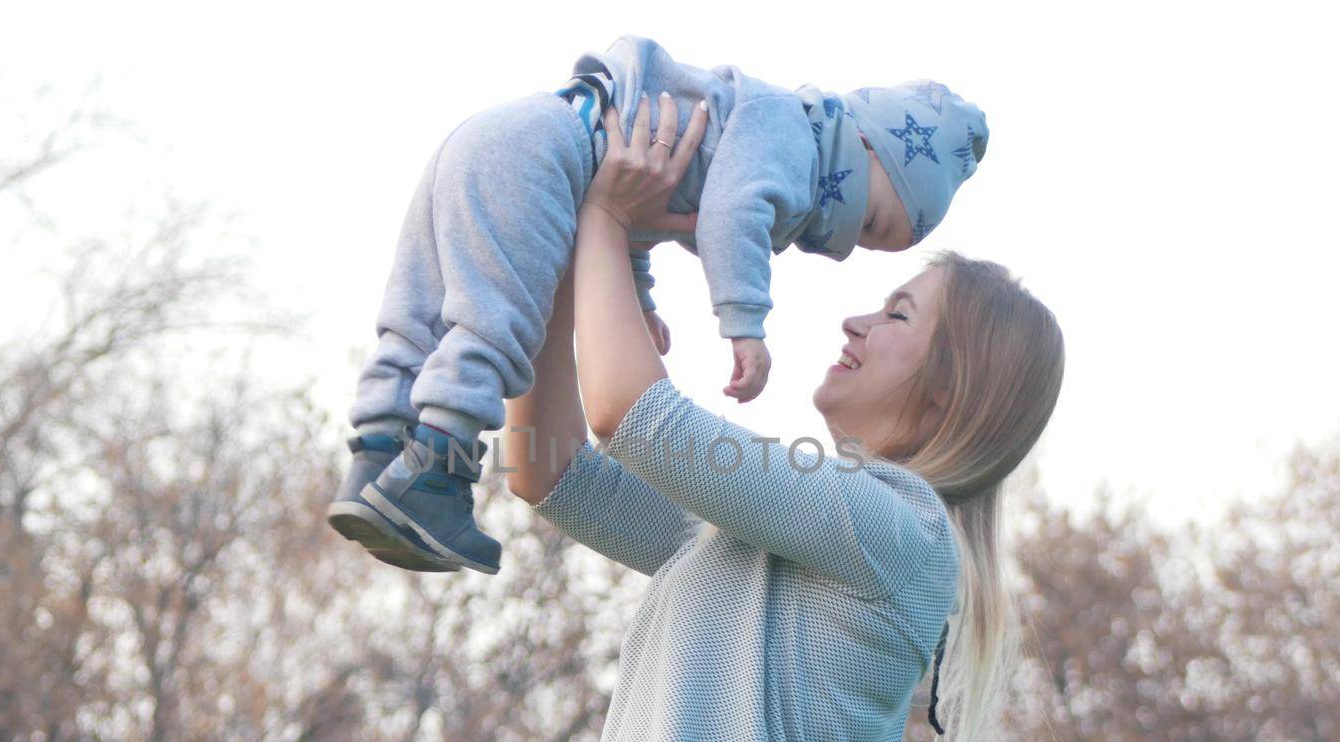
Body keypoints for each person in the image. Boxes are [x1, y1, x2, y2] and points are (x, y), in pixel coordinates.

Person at [504, 95, 1062, 742]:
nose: (855, 323)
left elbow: (632, 417)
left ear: (948, 390)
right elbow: (548, 473)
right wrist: (564, 262)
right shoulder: (761, 542)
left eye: (897, 313)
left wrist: (603, 215)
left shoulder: (901, 532)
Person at [328, 33, 988, 575]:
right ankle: (432, 478)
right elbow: (728, 216)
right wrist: (743, 322)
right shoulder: (787, 132)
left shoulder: (881, 540)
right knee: (489, 329)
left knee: (417, 320)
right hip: (545, 157)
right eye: (870, 221)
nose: (853, 308)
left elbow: (552, 465)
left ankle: (377, 457)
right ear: (865, 145)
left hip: (513, 139)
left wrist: (619, 262)